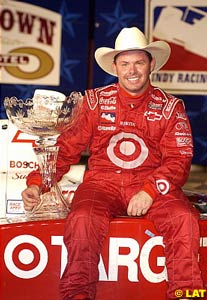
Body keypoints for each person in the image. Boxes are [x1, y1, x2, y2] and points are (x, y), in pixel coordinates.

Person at [22, 27, 204, 300]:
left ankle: (187, 295)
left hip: (149, 185)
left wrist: (150, 190)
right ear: (115, 67)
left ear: (151, 64)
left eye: (139, 62)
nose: (132, 70)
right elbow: (67, 148)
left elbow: (179, 159)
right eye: (125, 63)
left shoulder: (170, 106)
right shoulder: (94, 101)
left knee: (184, 217)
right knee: (83, 219)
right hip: (101, 184)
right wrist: (39, 183)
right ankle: (77, 295)